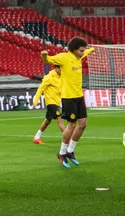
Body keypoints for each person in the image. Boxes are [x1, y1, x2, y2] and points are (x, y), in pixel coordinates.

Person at [41, 37, 95, 168]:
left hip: (79, 96)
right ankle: (61, 153)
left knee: (83, 124)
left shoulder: (78, 57)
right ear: (74, 49)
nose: (83, 53)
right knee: (71, 125)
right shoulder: (64, 57)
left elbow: (85, 53)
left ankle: (70, 151)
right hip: (68, 97)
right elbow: (48, 60)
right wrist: (44, 56)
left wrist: (91, 49)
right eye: (81, 50)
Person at [32, 65, 65, 144]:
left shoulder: (61, 77)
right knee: (60, 118)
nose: (62, 70)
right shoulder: (48, 77)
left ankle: (37, 137)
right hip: (50, 102)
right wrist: (35, 101)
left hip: (56, 102)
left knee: (47, 121)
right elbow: (40, 89)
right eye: (61, 68)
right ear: (56, 68)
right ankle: (67, 138)